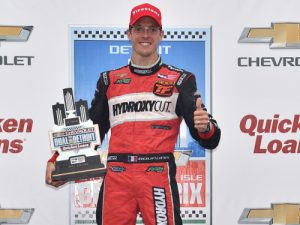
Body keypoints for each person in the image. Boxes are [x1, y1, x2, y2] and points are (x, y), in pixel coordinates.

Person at [46, 3, 221, 225]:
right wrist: (58, 161)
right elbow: (93, 131)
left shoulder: (181, 80)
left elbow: (211, 137)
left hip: (157, 173)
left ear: (161, 35)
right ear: (129, 34)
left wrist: (205, 127)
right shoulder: (109, 80)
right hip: (117, 174)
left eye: (152, 29)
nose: (145, 35)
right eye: (139, 28)